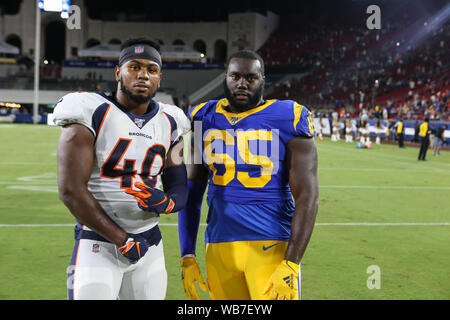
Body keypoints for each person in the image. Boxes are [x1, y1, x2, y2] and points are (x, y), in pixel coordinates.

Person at [53, 38, 190, 300]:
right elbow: (70, 191)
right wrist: (121, 239)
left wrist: (167, 203)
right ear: (118, 72)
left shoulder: (172, 121)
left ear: (160, 77)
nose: (143, 75)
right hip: (98, 244)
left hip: (150, 243)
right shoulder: (90, 110)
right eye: (134, 67)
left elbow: (179, 184)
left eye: (152, 69)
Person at [178, 50, 319, 300]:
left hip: (271, 247)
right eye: (235, 76)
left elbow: (308, 196)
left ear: (263, 79)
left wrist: (291, 263)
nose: (242, 83)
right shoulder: (204, 117)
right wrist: (187, 255)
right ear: (226, 77)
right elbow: (192, 191)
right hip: (219, 246)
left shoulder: (288, 116)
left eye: (250, 77)